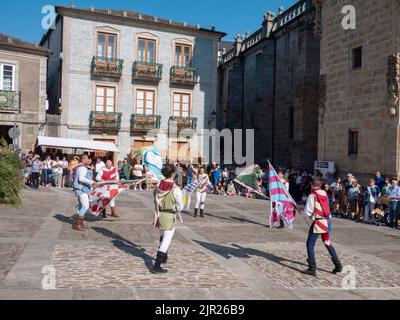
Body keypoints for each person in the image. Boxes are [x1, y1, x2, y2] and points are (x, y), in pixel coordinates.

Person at [302, 179, 343, 277]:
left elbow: (308, 212)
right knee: (327, 242)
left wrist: (302, 211)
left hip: (319, 222)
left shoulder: (312, 195)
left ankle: (312, 268)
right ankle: (338, 265)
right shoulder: (324, 193)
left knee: (310, 244)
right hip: (327, 221)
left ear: (312, 185)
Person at [152, 165, 184, 274]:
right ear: (172, 174)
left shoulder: (158, 185)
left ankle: (164, 257)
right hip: (169, 215)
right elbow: (180, 206)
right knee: (166, 240)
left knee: (162, 236)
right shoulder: (175, 189)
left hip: (159, 214)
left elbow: (154, 197)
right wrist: (177, 209)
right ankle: (156, 266)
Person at [72, 155, 97, 231]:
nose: (89, 160)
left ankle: (80, 223)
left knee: (81, 206)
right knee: (85, 206)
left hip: (81, 189)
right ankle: (78, 224)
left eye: (90, 159)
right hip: (81, 189)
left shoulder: (81, 167)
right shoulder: (82, 168)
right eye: (88, 159)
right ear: (83, 159)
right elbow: (81, 179)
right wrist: (92, 182)